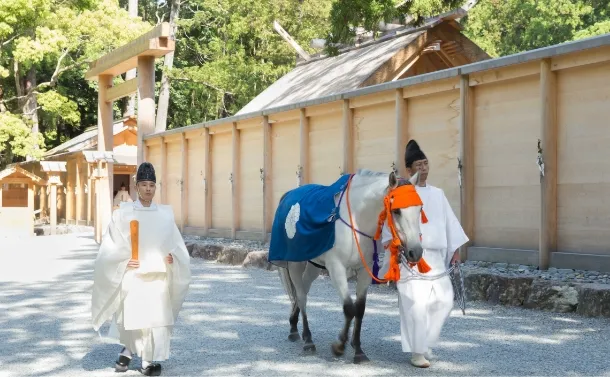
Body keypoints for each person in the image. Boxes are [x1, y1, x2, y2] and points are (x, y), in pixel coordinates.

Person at [91, 162, 191, 376]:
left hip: (158, 274)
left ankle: (142, 360)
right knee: (135, 315)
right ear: (137, 187)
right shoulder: (124, 213)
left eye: (152, 185)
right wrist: (124, 260)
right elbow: (112, 244)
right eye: (144, 184)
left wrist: (173, 257)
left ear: (156, 188)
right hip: (134, 273)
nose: (148, 189)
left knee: (156, 317)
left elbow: (176, 243)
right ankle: (128, 352)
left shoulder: (165, 215)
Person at [378, 140, 468, 368]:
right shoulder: (399, 193)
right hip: (410, 256)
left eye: (426, 163)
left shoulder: (438, 194)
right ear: (409, 170)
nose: (424, 168)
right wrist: (393, 248)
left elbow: (450, 222)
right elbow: (392, 222)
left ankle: (425, 342)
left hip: (436, 256)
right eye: (419, 164)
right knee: (416, 304)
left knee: (445, 301)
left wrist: (455, 251)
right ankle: (417, 352)